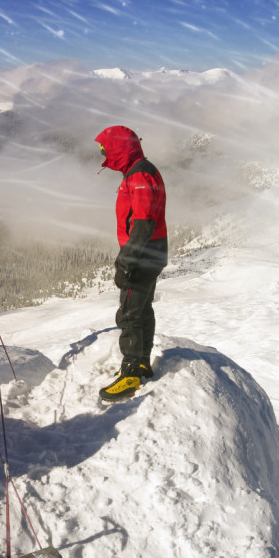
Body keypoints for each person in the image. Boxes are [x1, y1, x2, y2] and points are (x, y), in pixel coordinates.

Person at [94, 126, 167, 402]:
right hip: (151, 252)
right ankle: (142, 364)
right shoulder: (138, 171)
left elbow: (143, 222)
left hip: (143, 254)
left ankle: (131, 374)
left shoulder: (139, 175)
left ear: (119, 147)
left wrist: (127, 261)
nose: (103, 153)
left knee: (129, 313)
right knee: (141, 309)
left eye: (105, 148)